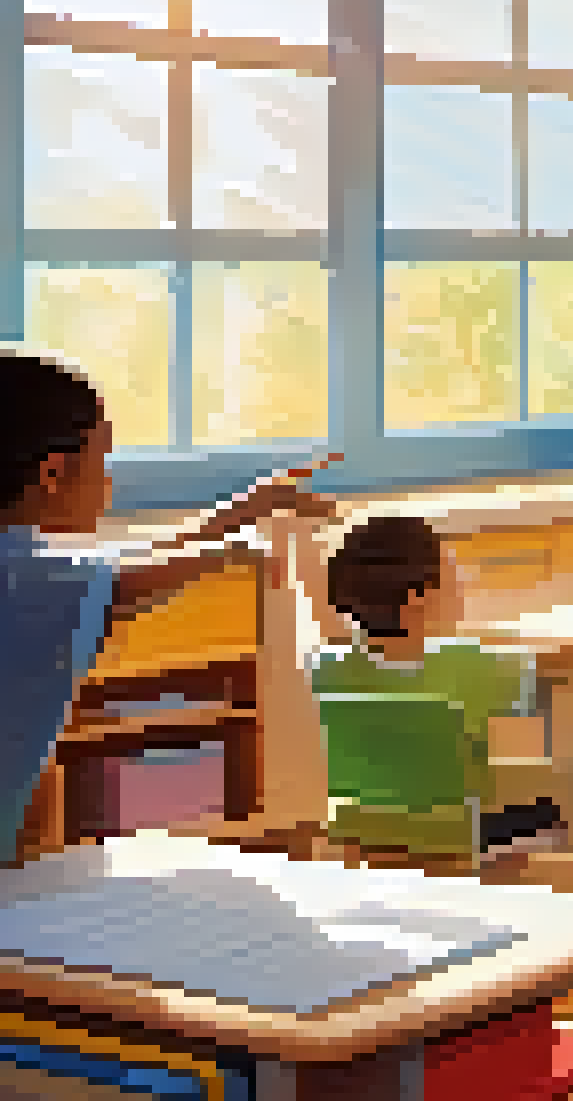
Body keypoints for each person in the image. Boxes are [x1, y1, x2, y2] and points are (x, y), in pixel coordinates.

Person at [0, 351, 333, 860]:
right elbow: (132, 580)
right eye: (101, 462)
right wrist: (235, 550)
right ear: (53, 474)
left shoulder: (31, 566)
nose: (109, 483)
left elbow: (131, 567)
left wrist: (242, 512)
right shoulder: (28, 576)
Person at [305, 514, 565, 860]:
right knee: (566, 797)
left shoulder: (321, 669)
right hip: (453, 841)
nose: (459, 585)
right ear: (419, 599)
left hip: (354, 834)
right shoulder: (476, 665)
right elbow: (550, 677)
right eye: (450, 575)